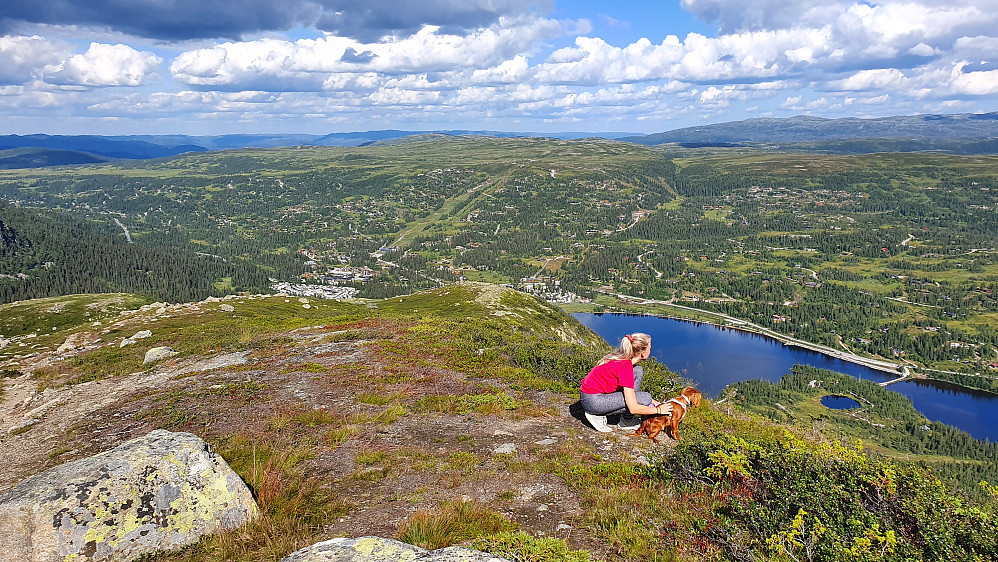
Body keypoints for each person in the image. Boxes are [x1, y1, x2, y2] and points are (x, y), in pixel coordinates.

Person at [579, 332, 666, 432]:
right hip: (593, 401)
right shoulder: (625, 367)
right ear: (642, 352)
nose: (650, 350)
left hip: (590, 396)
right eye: (649, 348)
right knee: (645, 398)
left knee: (638, 371)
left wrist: (651, 401)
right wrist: (658, 410)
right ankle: (596, 414)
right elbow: (633, 408)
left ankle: (626, 420)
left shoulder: (622, 357)